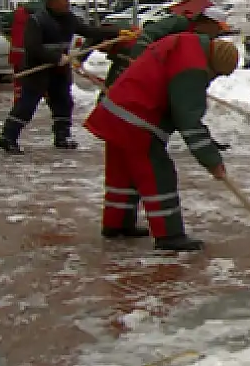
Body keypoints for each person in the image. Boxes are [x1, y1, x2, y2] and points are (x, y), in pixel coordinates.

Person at [84, 34, 240, 251]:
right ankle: (170, 235)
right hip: (137, 119)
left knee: (123, 173)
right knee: (158, 174)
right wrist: (212, 161)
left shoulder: (188, 43)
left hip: (117, 110)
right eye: (216, 75)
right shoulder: (192, 69)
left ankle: (117, 224)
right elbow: (189, 122)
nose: (212, 79)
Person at [0, 0, 123, 155]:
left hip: (59, 71)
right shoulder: (37, 21)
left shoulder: (69, 19)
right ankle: (8, 138)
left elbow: (90, 31)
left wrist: (118, 32)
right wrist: (55, 57)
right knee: (27, 105)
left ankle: (62, 136)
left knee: (63, 103)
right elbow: (33, 48)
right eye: (63, 0)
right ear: (52, 2)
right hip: (37, 71)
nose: (67, 3)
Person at [104, 0, 225, 86]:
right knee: (113, 95)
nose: (218, 32)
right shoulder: (180, 22)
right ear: (208, 22)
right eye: (218, 28)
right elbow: (149, 34)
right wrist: (138, 63)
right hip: (130, 59)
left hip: (150, 68)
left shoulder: (198, 38)